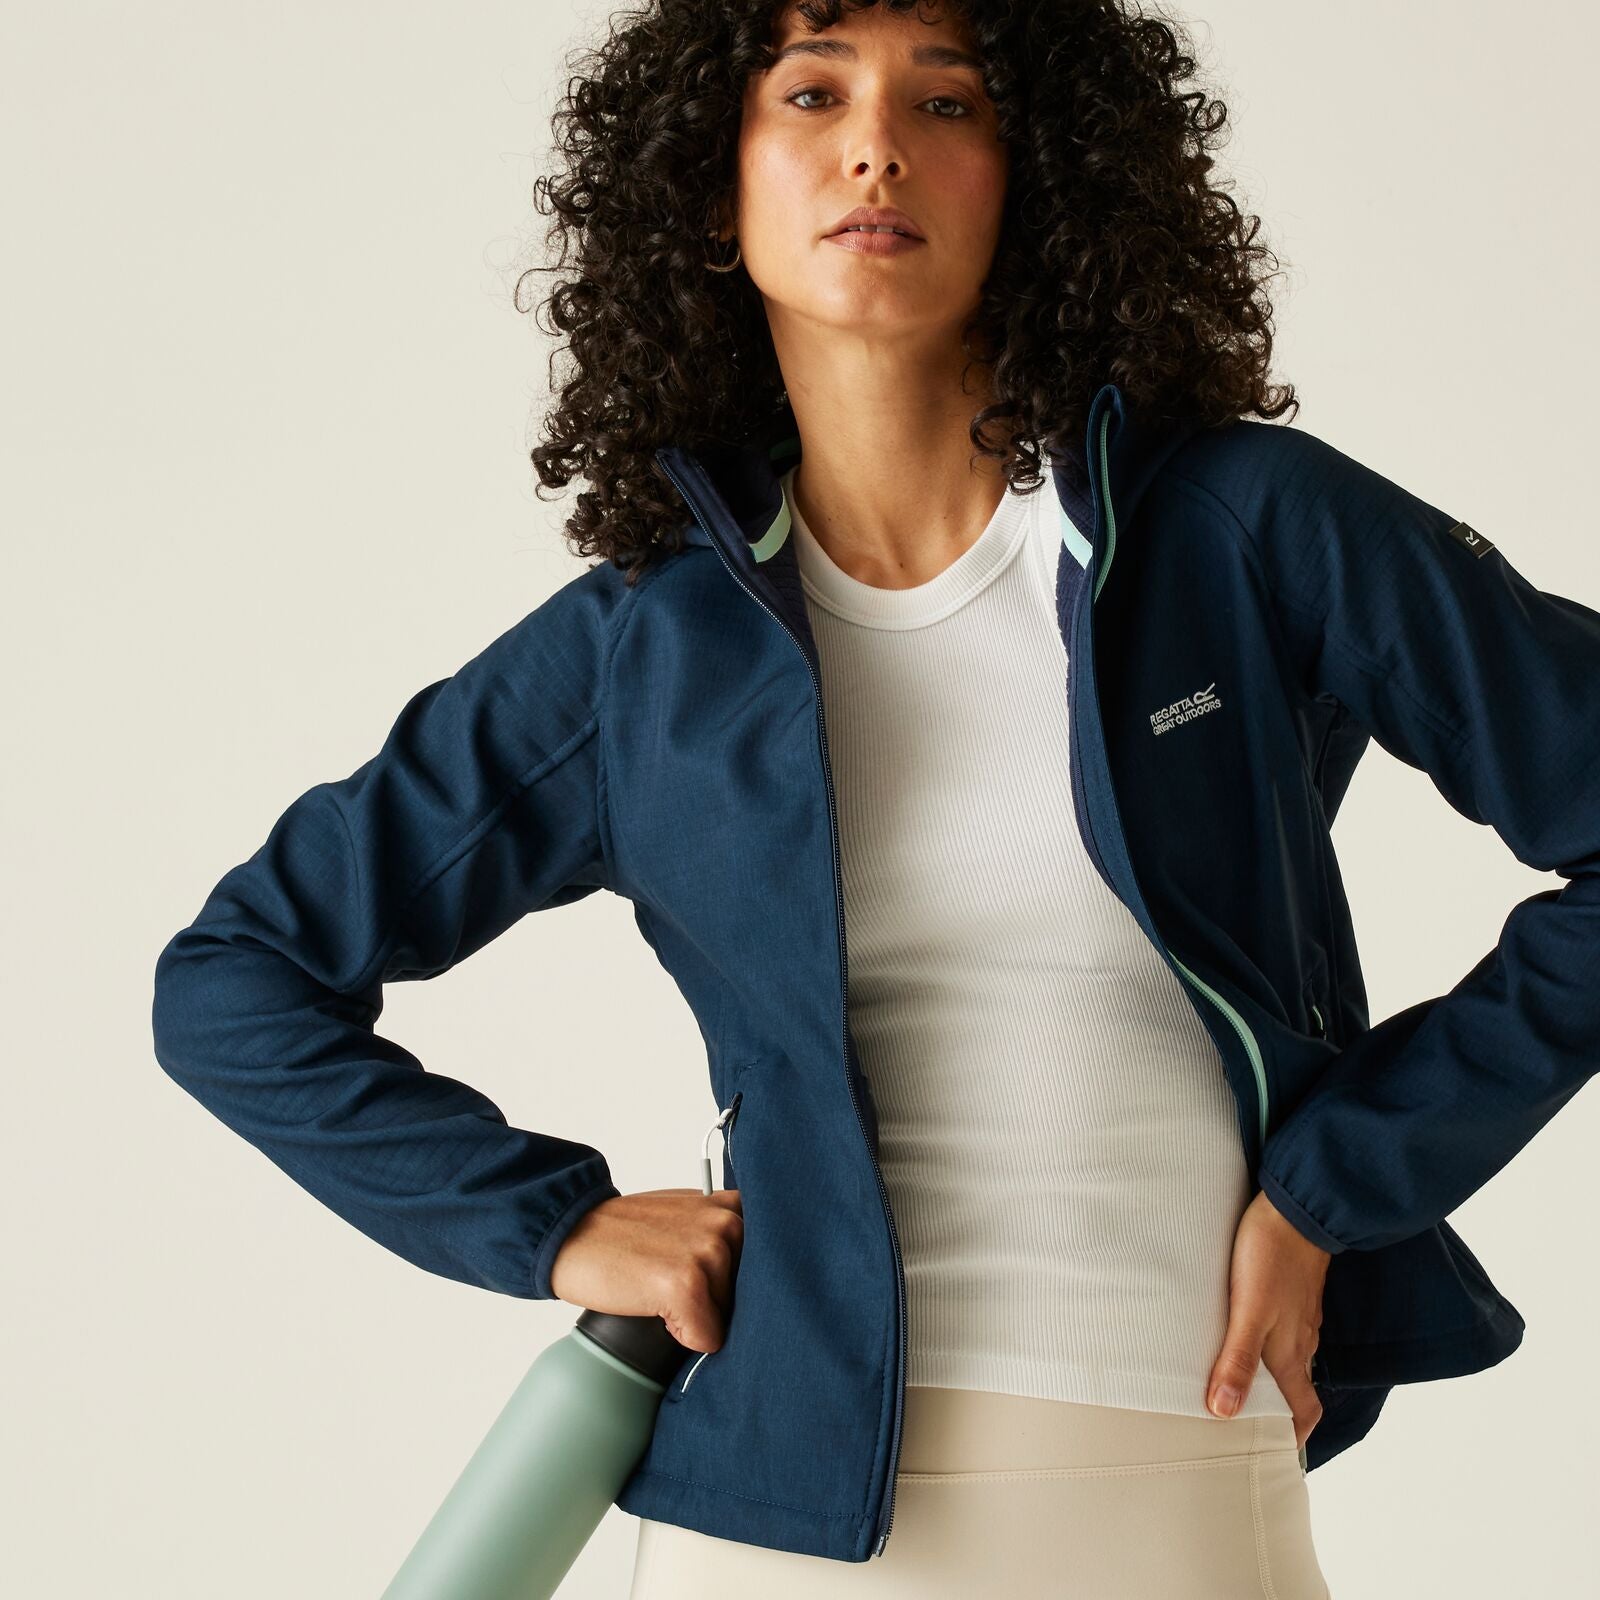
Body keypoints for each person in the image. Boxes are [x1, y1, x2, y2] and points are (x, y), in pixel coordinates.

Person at [152, 1, 1600, 1596]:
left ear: (1037, 178)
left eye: (949, 101)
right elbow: (238, 979)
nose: (877, 148)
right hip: (765, 1531)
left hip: (1176, 1483)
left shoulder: (1242, 532)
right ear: (714, 189)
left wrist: (1340, 1184)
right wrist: (552, 1225)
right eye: (812, 93)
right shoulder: (645, 652)